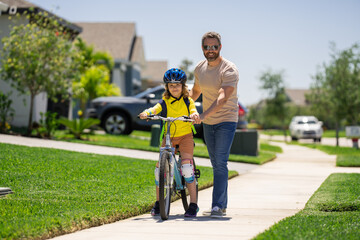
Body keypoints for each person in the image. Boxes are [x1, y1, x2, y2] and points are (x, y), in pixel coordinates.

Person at [139, 68, 200, 217]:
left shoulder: (188, 100)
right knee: (158, 171)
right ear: (167, 87)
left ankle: (193, 204)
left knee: (186, 168)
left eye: (177, 85)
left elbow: (193, 109)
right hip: (168, 137)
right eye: (171, 85)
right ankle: (159, 203)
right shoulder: (165, 101)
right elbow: (156, 108)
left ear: (183, 86)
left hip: (185, 136)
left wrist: (194, 114)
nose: (174, 88)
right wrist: (147, 113)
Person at [190, 31, 239, 218]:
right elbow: (195, 91)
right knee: (215, 162)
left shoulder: (229, 69)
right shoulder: (200, 68)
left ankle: (218, 205)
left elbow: (222, 98)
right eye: (207, 47)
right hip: (208, 122)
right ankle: (220, 204)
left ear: (220, 47)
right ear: (202, 48)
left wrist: (202, 115)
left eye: (214, 47)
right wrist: (183, 107)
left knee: (220, 162)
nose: (210, 50)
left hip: (226, 120)